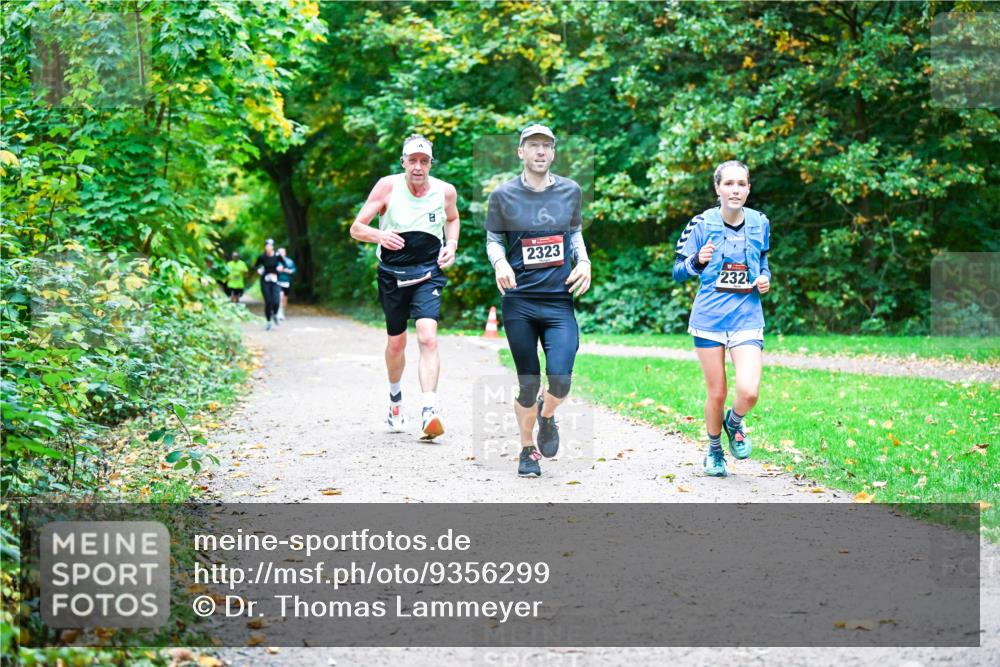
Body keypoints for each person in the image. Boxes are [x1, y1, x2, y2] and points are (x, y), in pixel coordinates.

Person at [486, 124, 592, 478]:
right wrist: (500, 262)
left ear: (553, 152)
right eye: (534, 146)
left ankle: (548, 415)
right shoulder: (502, 195)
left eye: (547, 146)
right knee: (528, 383)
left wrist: (585, 262)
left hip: (558, 301)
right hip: (519, 302)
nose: (541, 151)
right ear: (521, 152)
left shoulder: (570, 191)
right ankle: (527, 449)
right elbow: (493, 239)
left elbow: (574, 233)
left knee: (560, 380)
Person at [349, 135, 460, 440]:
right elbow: (356, 228)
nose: (418, 167)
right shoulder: (387, 186)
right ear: (403, 162)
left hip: (428, 274)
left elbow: (452, 219)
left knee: (428, 337)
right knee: (397, 344)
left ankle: (429, 410)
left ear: (430, 164)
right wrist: (380, 236)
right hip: (392, 275)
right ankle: (395, 401)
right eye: (412, 160)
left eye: (424, 161)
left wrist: (451, 244)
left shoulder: (445, 191)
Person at [672, 160, 772, 478]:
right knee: (717, 393)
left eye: (741, 184)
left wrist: (765, 277)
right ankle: (714, 450)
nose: (735, 190)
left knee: (749, 391)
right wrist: (696, 261)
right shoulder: (701, 224)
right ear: (717, 188)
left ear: (748, 189)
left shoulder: (760, 222)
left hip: (747, 316)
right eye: (728, 184)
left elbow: (764, 261)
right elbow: (677, 272)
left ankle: (735, 422)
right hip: (709, 320)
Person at [253, 239, 288, 330]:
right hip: (265, 281)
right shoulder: (262, 257)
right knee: (268, 302)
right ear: (265, 247)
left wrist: (281, 267)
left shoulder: (277, 256)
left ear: (273, 247)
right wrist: (258, 270)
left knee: (276, 301)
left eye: (270, 246)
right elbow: (255, 266)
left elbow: (285, 264)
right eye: (267, 246)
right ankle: (268, 322)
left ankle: (275, 314)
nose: (269, 247)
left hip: (275, 280)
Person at [276, 247, 296, 321]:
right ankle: (278, 312)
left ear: (285, 253)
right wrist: (277, 270)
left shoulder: (289, 261)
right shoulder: (275, 261)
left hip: (286, 281)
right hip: (277, 281)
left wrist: (289, 271)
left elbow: (294, 270)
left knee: (285, 298)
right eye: (279, 252)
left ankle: (282, 311)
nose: (281, 253)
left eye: (282, 252)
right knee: (279, 296)